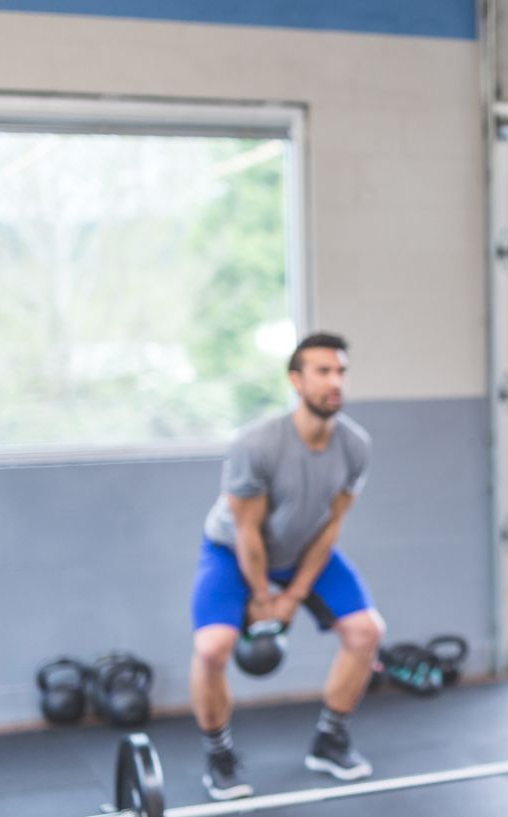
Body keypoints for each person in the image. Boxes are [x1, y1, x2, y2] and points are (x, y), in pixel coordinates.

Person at [189, 333, 385, 800]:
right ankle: (219, 755)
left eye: (340, 371)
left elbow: (332, 526)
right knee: (214, 648)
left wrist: (293, 597)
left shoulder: (355, 445)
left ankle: (330, 739)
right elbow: (247, 532)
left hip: (304, 549)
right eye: (323, 371)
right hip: (233, 551)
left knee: (367, 632)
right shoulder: (256, 444)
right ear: (296, 380)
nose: (335, 381)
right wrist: (262, 598)